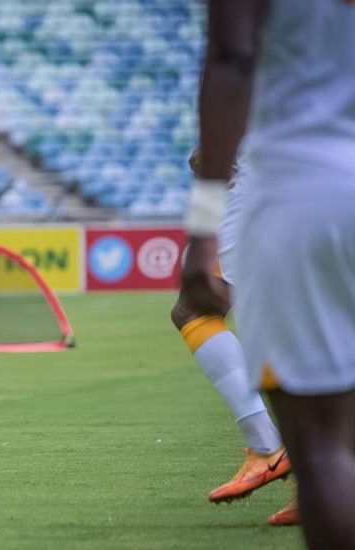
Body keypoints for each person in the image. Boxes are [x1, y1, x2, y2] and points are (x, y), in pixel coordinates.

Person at [182, 1, 355, 547]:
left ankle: (268, 447)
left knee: (323, 448)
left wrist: (202, 220)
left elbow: (233, 57)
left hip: (301, 182)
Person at [173, 150, 295, 525]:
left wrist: (208, 161)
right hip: (326, 178)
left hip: (260, 180)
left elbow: (219, 132)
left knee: (195, 309)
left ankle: (266, 446)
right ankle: (324, 485)